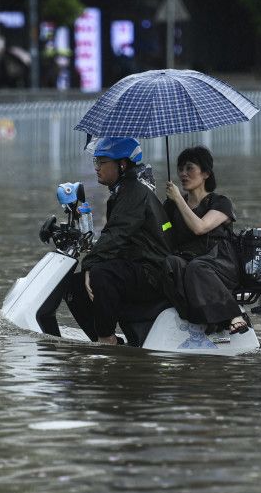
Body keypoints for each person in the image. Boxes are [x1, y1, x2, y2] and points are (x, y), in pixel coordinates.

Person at [65, 137, 172, 345]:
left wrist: (90, 263)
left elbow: (117, 234)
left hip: (152, 271)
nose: (96, 168)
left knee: (101, 273)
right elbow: (115, 237)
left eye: (102, 162)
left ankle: (107, 339)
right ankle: (103, 339)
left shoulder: (133, 191)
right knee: (74, 286)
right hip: (135, 265)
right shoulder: (121, 191)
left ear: (122, 164)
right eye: (96, 162)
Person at [162, 146, 247, 334]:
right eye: (180, 169)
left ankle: (234, 314)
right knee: (170, 263)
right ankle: (195, 318)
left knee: (197, 267)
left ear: (206, 173)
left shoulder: (220, 202)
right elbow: (162, 232)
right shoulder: (172, 205)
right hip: (189, 261)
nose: (183, 174)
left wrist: (178, 199)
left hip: (219, 263)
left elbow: (200, 227)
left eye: (189, 168)